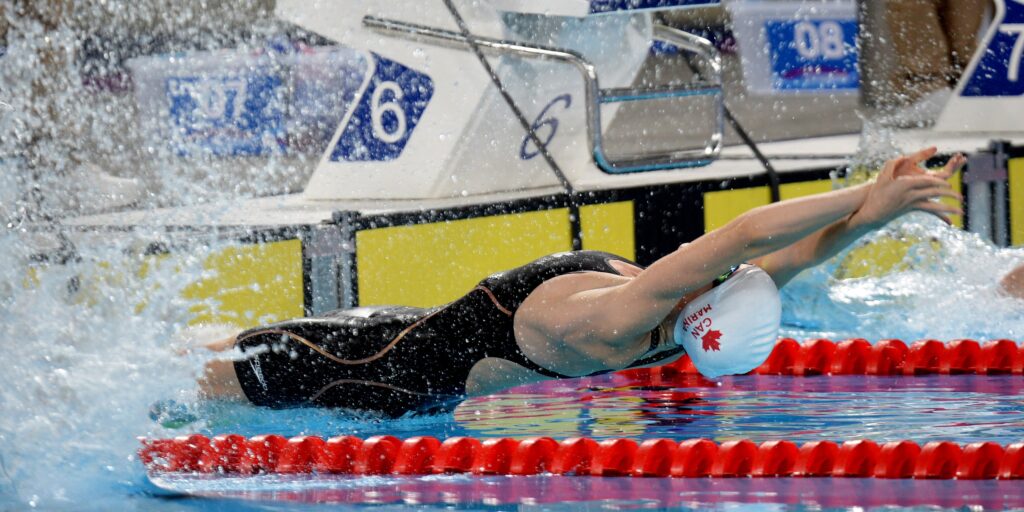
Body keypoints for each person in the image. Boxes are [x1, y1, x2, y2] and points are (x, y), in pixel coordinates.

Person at [197, 148, 964, 417]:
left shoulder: (630, 318)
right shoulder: (656, 319)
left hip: (389, 376)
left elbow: (753, 243)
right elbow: (770, 245)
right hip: (386, 357)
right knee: (195, 375)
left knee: (208, 371)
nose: (734, 273)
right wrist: (878, 201)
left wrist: (870, 200)